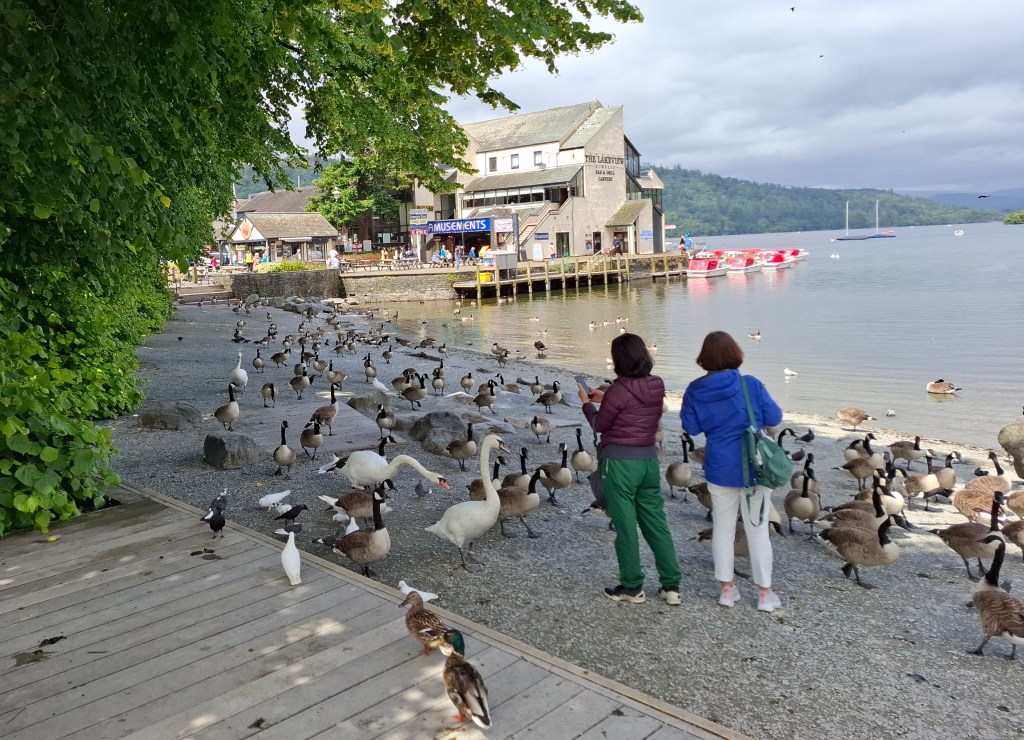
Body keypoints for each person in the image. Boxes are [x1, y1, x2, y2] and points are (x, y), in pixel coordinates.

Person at [680, 331, 784, 613]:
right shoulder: (750, 384)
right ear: (736, 353)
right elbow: (774, 418)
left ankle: (726, 590)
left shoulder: (694, 390)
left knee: (723, 530)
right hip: (754, 469)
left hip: (719, 467)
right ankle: (765, 595)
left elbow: (691, 428)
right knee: (757, 530)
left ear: (704, 359)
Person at [579, 333, 682, 606]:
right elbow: (636, 408)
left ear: (618, 360)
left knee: (625, 528)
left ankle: (632, 586)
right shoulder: (657, 385)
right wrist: (606, 397)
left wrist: (587, 404)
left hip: (620, 464)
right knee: (656, 524)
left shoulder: (618, 391)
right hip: (648, 461)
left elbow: (600, 424)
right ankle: (671, 586)